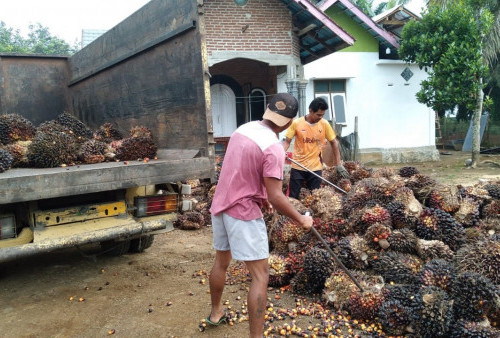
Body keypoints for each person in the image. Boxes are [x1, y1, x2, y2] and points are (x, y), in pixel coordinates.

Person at [207, 93, 313, 337]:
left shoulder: (243, 129)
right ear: (289, 122)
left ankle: (216, 313)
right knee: (260, 275)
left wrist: (261, 196)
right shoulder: (273, 147)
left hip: (221, 204)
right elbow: (277, 196)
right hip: (242, 212)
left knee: (221, 263)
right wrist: (301, 219)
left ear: (267, 110)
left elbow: (241, 170)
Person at [282, 97, 348, 200]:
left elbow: (334, 142)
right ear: (310, 111)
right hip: (298, 166)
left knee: (315, 198)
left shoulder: (324, 124)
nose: (320, 117)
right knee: (293, 197)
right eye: (318, 115)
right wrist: (281, 153)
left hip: (315, 167)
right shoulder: (297, 123)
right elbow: (286, 142)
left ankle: (310, 216)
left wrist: (338, 164)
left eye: (322, 115)